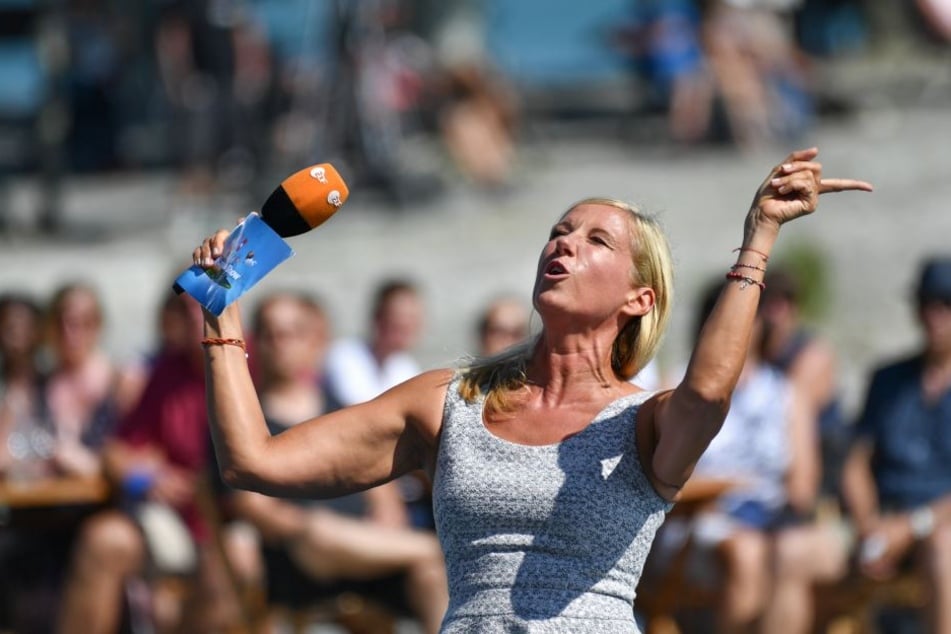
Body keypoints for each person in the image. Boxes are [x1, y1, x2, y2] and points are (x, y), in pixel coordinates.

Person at [193, 147, 871, 632]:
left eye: (595, 239)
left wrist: (757, 241)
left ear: (640, 298)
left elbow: (707, 392)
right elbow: (253, 461)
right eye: (559, 231)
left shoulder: (645, 421)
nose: (566, 243)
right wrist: (221, 319)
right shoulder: (445, 402)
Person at [226, 290, 448, 633]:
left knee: (431, 575)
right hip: (299, 560)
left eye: (291, 333)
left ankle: (428, 556)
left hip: (372, 554)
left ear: (316, 340)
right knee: (315, 532)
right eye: (269, 333)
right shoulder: (244, 422)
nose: (279, 343)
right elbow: (253, 508)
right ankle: (433, 550)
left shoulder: (344, 411)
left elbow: (386, 498)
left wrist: (374, 535)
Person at [838, 256, 951, 634]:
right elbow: (856, 462)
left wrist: (912, 527)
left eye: (946, 304)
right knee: (789, 554)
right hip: (882, 520)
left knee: (942, 549)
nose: (935, 316)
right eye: (927, 304)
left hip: (938, 529)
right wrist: (870, 526)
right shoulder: (887, 379)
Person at [759, 268, 847, 499]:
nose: (776, 312)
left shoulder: (813, 354)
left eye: (784, 302)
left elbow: (788, 410)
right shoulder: (760, 357)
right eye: (770, 302)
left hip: (822, 460)